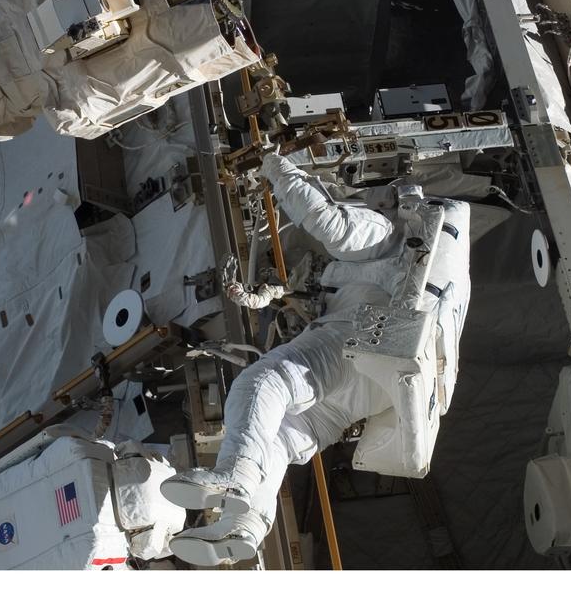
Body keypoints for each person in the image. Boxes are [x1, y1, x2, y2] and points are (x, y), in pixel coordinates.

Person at [161, 153, 471, 565]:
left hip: (359, 342)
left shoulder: (384, 232)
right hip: (380, 386)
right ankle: (242, 526)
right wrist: (262, 296)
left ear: (387, 202)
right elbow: (306, 291)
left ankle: (234, 476)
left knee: (262, 383)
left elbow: (330, 223)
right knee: (281, 437)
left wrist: (273, 165)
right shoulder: (427, 268)